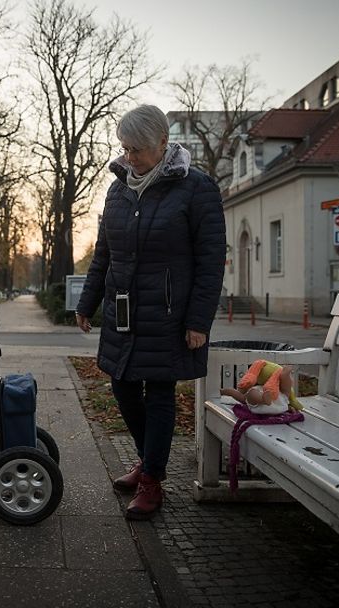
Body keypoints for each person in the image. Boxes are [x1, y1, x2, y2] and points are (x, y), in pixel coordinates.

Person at [75, 104, 226, 520]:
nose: (128, 157)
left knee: (158, 393)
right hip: (124, 311)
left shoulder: (197, 189)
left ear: (162, 143)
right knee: (122, 387)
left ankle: (152, 481)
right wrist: (87, 303)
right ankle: (147, 459)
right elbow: (103, 250)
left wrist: (198, 320)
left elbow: (211, 262)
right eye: (124, 149)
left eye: (136, 149)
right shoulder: (118, 187)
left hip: (169, 315)